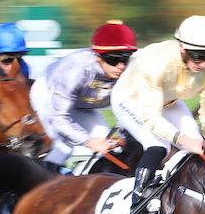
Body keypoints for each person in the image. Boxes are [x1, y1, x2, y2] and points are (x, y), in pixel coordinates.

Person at [110, 15, 205, 214]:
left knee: (199, 143)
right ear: (182, 48)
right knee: (158, 146)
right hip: (130, 99)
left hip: (168, 100)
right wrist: (181, 138)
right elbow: (151, 117)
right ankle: (137, 205)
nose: (203, 63)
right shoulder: (156, 63)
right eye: (198, 56)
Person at [30, 20, 138, 171]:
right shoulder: (76, 70)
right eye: (113, 59)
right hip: (48, 96)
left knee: (105, 140)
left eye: (125, 59)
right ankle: (44, 177)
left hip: (82, 104)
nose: (121, 66)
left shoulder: (130, 70)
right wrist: (88, 141)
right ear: (97, 57)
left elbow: (132, 109)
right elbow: (58, 119)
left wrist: (122, 137)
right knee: (62, 146)